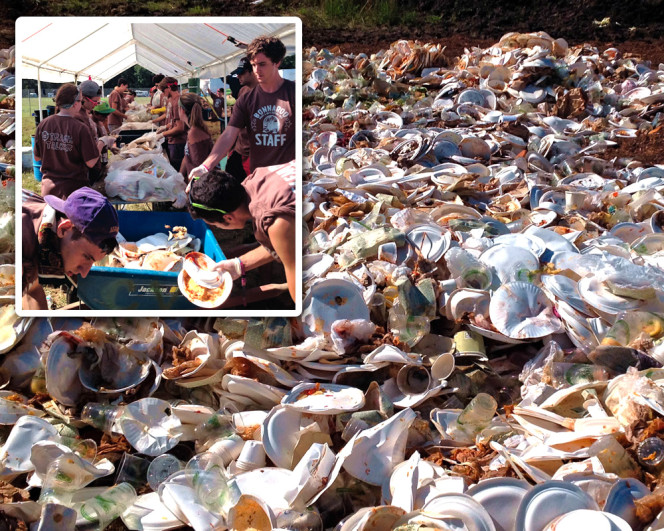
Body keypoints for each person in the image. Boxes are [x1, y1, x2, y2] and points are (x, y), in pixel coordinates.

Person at [187, 161, 296, 303]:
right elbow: (282, 246)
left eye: (215, 224)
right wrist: (239, 265)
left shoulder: (276, 222)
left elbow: (297, 284)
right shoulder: (259, 175)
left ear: (228, 217)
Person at [189, 36, 295, 180]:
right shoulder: (246, 99)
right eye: (253, 65)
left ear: (277, 63)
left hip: (288, 179)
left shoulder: (294, 93)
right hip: (258, 178)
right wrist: (206, 166)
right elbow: (228, 134)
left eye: (262, 64)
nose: (257, 70)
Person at [22, 187, 119, 310]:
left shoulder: (48, 224)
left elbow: (32, 289)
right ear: (64, 228)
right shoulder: (20, 249)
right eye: (86, 257)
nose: (84, 273)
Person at [33, 83, 105, 199]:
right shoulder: (80, 128)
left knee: (51, 218)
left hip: (49, 192)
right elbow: (91, 162)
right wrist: (102, 142)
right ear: (76, 104)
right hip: (73, 193)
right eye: (81, 102)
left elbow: (37, 158)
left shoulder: (44, 124)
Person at [76, 80, 117, 183]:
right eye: (94, 101)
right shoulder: (79, 119)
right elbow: (88, 158)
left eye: (97, 102)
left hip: (93, 166)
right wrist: (102, 142)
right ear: (84, 98)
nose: (95, 104)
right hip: (85, 171)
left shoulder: (86, 116)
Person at [225, 57, 258, 181]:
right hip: (239, 150)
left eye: (241, 73)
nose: (238, 76)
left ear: (253, 71)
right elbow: (235, 124)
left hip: (254, 155)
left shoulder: (267, 94)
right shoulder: (243, 91)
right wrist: (231, 149)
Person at [153, 77, 187, 171]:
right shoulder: (171, 100)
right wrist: (164, 127)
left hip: (178, 143)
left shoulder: (177, 102)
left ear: (169, 88)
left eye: (163, 91)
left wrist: (162, 134)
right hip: (172, 141)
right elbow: (173, 122)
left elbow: (180, 127)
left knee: (177, 170)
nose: (163, 94)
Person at [179, 92, 213, 179]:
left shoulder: (194, 133)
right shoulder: (193, 129)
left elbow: (198, 168)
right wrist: (179, 176)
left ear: (182, 110)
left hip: (201, 184)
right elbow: (186, 156)